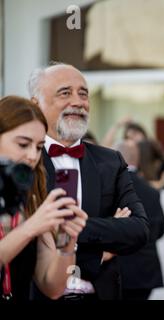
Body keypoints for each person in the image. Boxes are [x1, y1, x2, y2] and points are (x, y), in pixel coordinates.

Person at [28, 62, 150, 300]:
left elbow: (138, 230)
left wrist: (69, 229)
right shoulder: (25, 160)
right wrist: (101, 251)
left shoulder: (111, 161)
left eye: (83, 94)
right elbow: (25, 241)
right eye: (65, 93)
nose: (78, 101)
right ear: (36, 104)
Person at [0, 96, 88, 300]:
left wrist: (67, 244)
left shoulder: (30, 197)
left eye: (39, 147)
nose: (32, 155)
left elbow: (53, 288)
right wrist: (31, 227)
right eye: (23, 144)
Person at [115, 140, 164, 300]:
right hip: (145, 270)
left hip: (119, 269)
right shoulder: (152, 191)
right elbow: (160, 229)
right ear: (136, 159)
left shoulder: (110, 188)